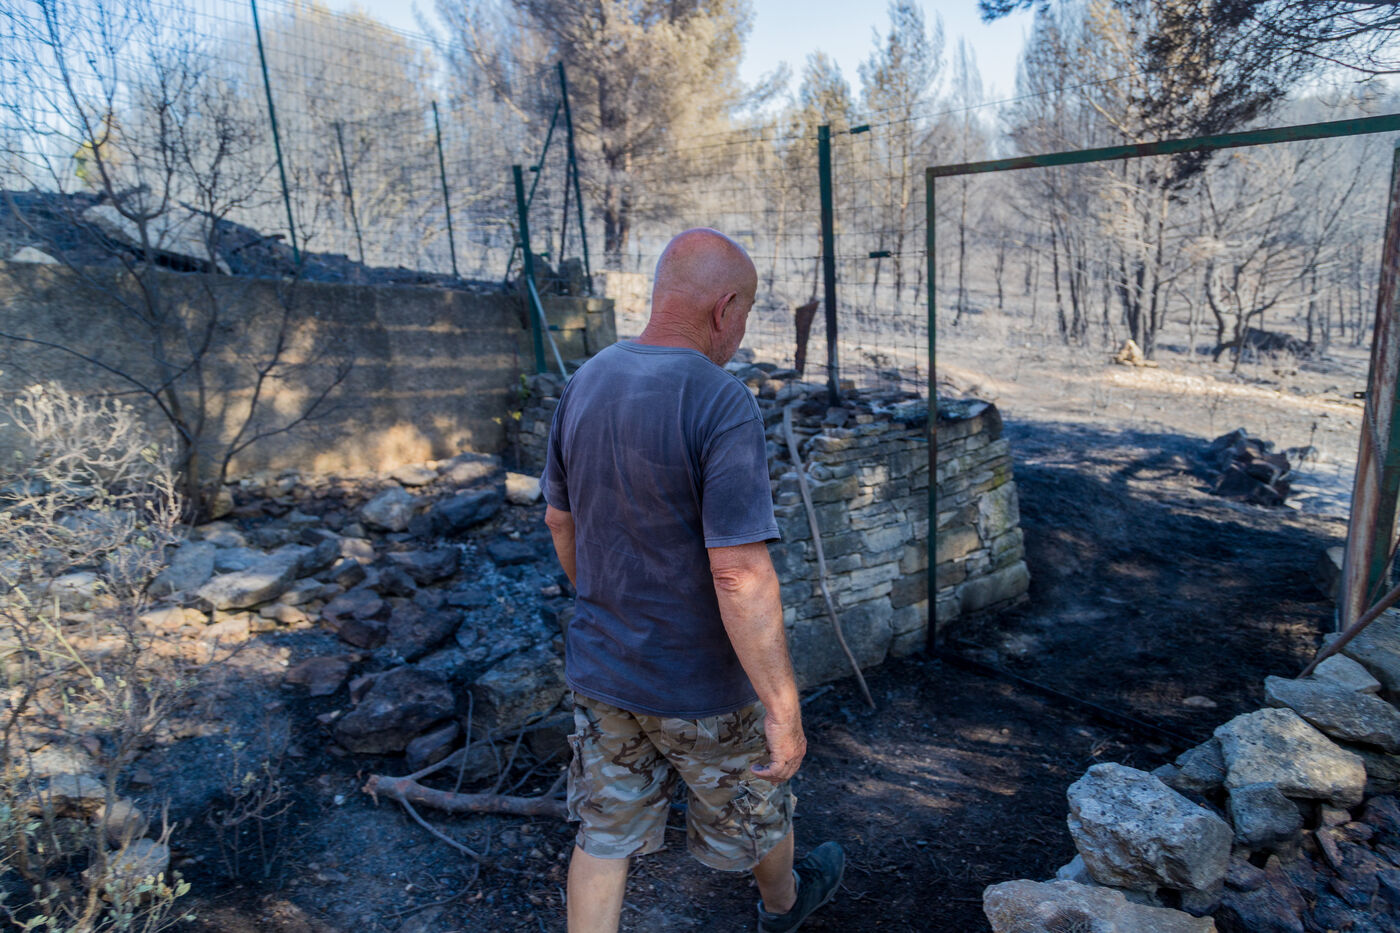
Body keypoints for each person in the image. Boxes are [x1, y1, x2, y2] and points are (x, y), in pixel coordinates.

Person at [541, 228, 844, 933]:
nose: (742, 330)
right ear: (724, 307)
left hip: (604, 670)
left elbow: (559, 519)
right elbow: (737, 571)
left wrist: (606, 606)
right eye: (747, 313)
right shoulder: (721, 399)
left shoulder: (586, 380)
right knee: (757, 809)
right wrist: (783, 707)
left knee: (603, 833)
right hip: (700, 686)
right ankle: (784, 908)